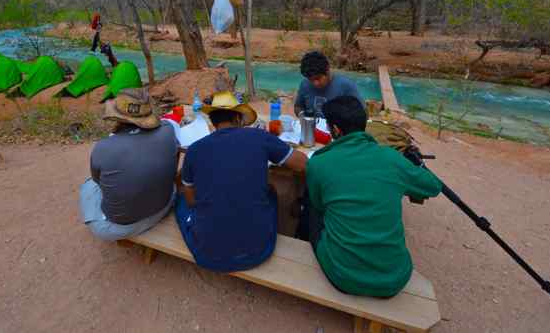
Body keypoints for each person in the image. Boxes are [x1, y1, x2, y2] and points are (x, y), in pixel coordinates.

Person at [304, 96, 443, 297]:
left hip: (342, 276)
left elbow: (319, 205)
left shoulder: (319, 162)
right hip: (394, 278)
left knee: (312, 207)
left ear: (335, 130)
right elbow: (433, 186)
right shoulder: (392, 158)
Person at [176, 91, 308, 272]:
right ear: (238, 119)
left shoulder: (195, 150)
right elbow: (302, 164)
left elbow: (192, 200)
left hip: (207, 254)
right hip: (260, 250)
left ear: (213, 122)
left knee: (181, 201)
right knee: (270, 193)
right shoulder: (260, 137)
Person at [78, 88, 178, 241]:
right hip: (165, 206)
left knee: (88, 185)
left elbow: (98, 181)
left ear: (117, 117)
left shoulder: (104, 147)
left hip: (121, 228)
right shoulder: (168, 130)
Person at [294, 51, 361, 117]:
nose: (315, 83)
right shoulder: (305, 85)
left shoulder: (346, 86)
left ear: (327, 69)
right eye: (310, 80)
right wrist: (303, 117)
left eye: (318, 78)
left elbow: (362, 113)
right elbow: (298, 106)